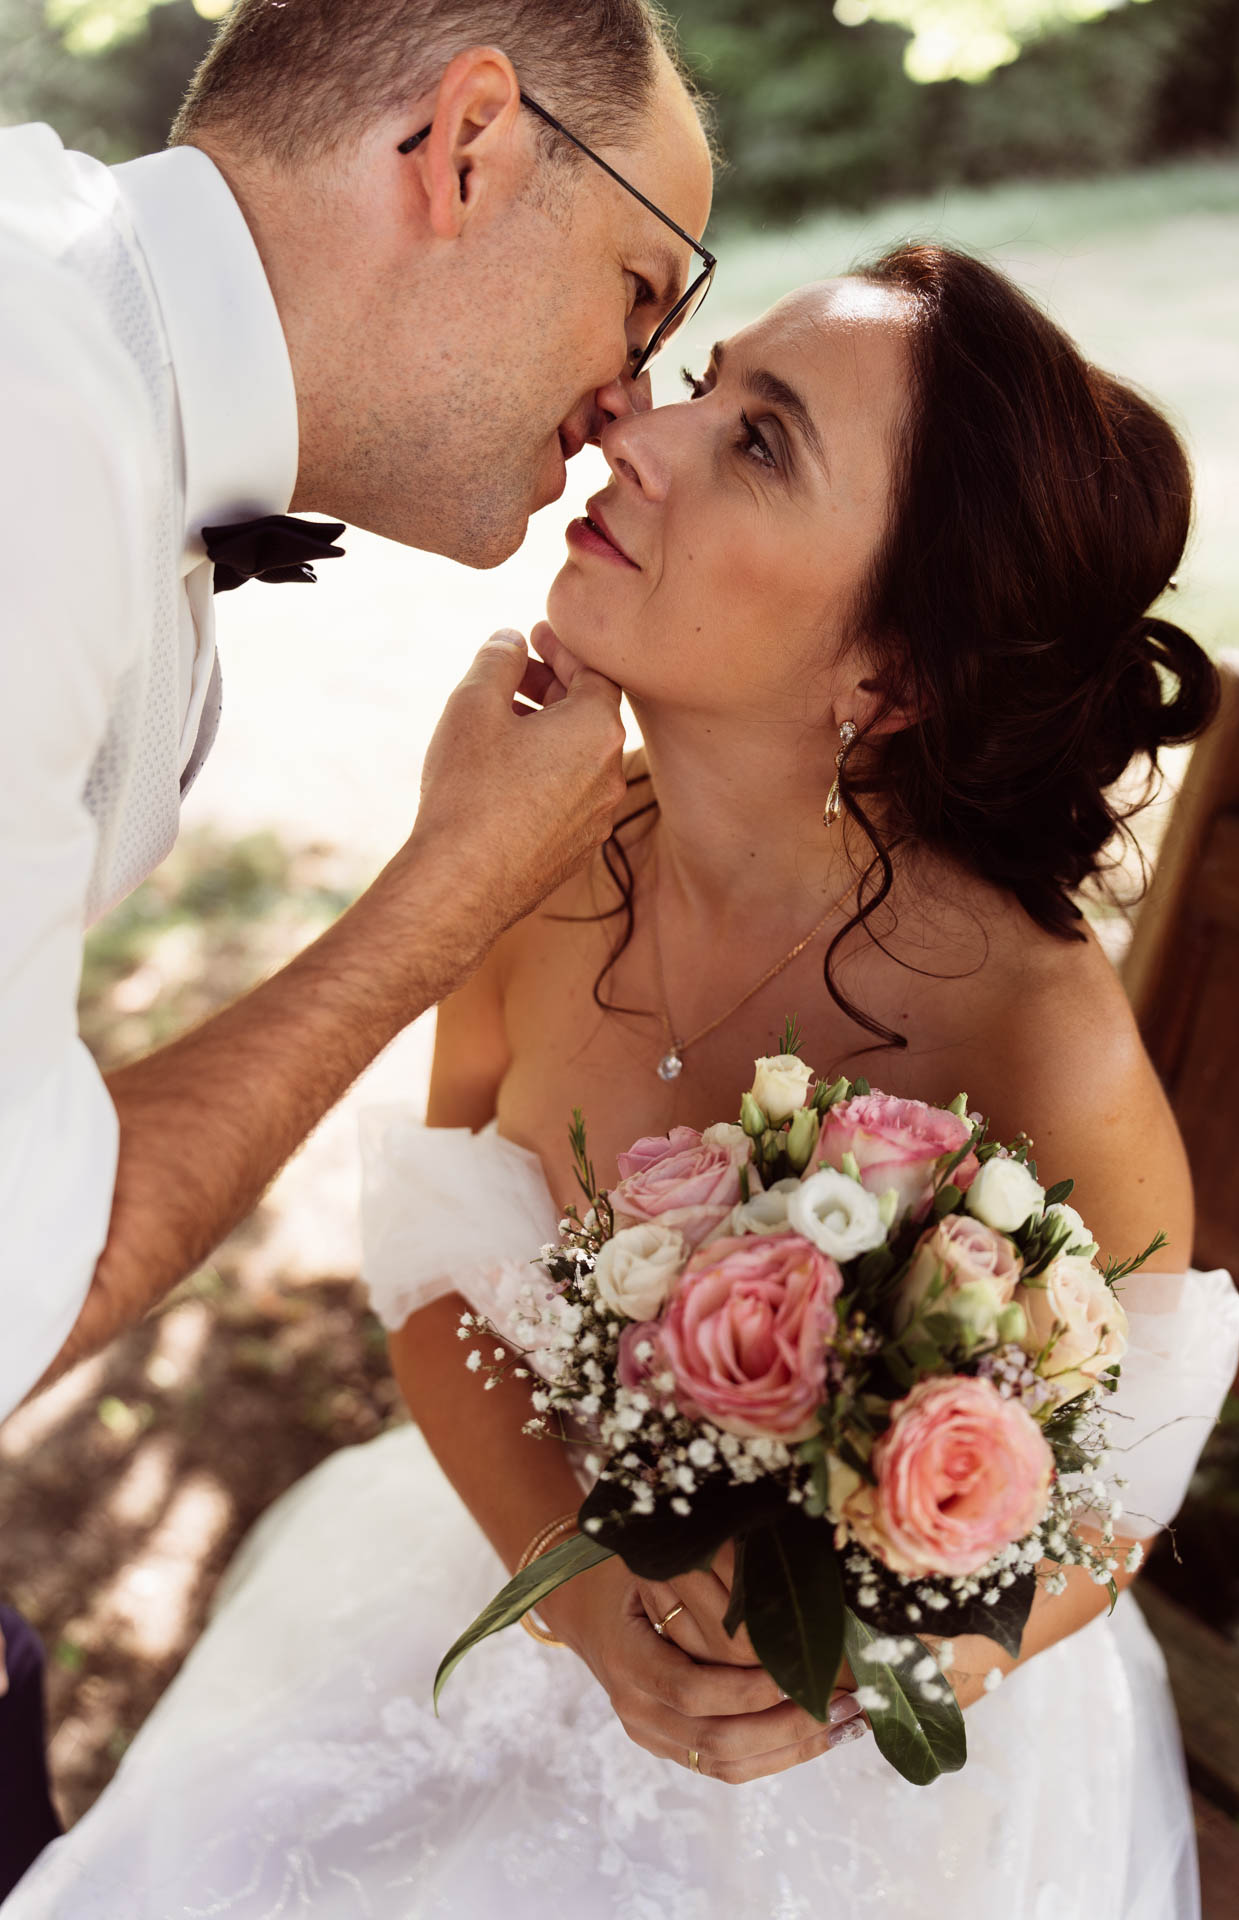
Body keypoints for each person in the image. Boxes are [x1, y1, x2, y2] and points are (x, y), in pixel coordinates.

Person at [2, 248, 1239, 1918]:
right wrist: (569, 1594)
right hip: (521, 1575)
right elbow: (444, 1263)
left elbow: (1116, 1490)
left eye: (759, 442)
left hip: (852, 1747)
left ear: (886, 681)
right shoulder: (540, 858)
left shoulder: (1028, 1031)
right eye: (712, 380)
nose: (637, 431)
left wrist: (892, 1663)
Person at [0, 0, 712, 1887]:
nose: (641, 391)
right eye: (648, 289)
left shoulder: (76, 334)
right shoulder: (30, 440)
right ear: (468, 145)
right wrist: (451, 893)